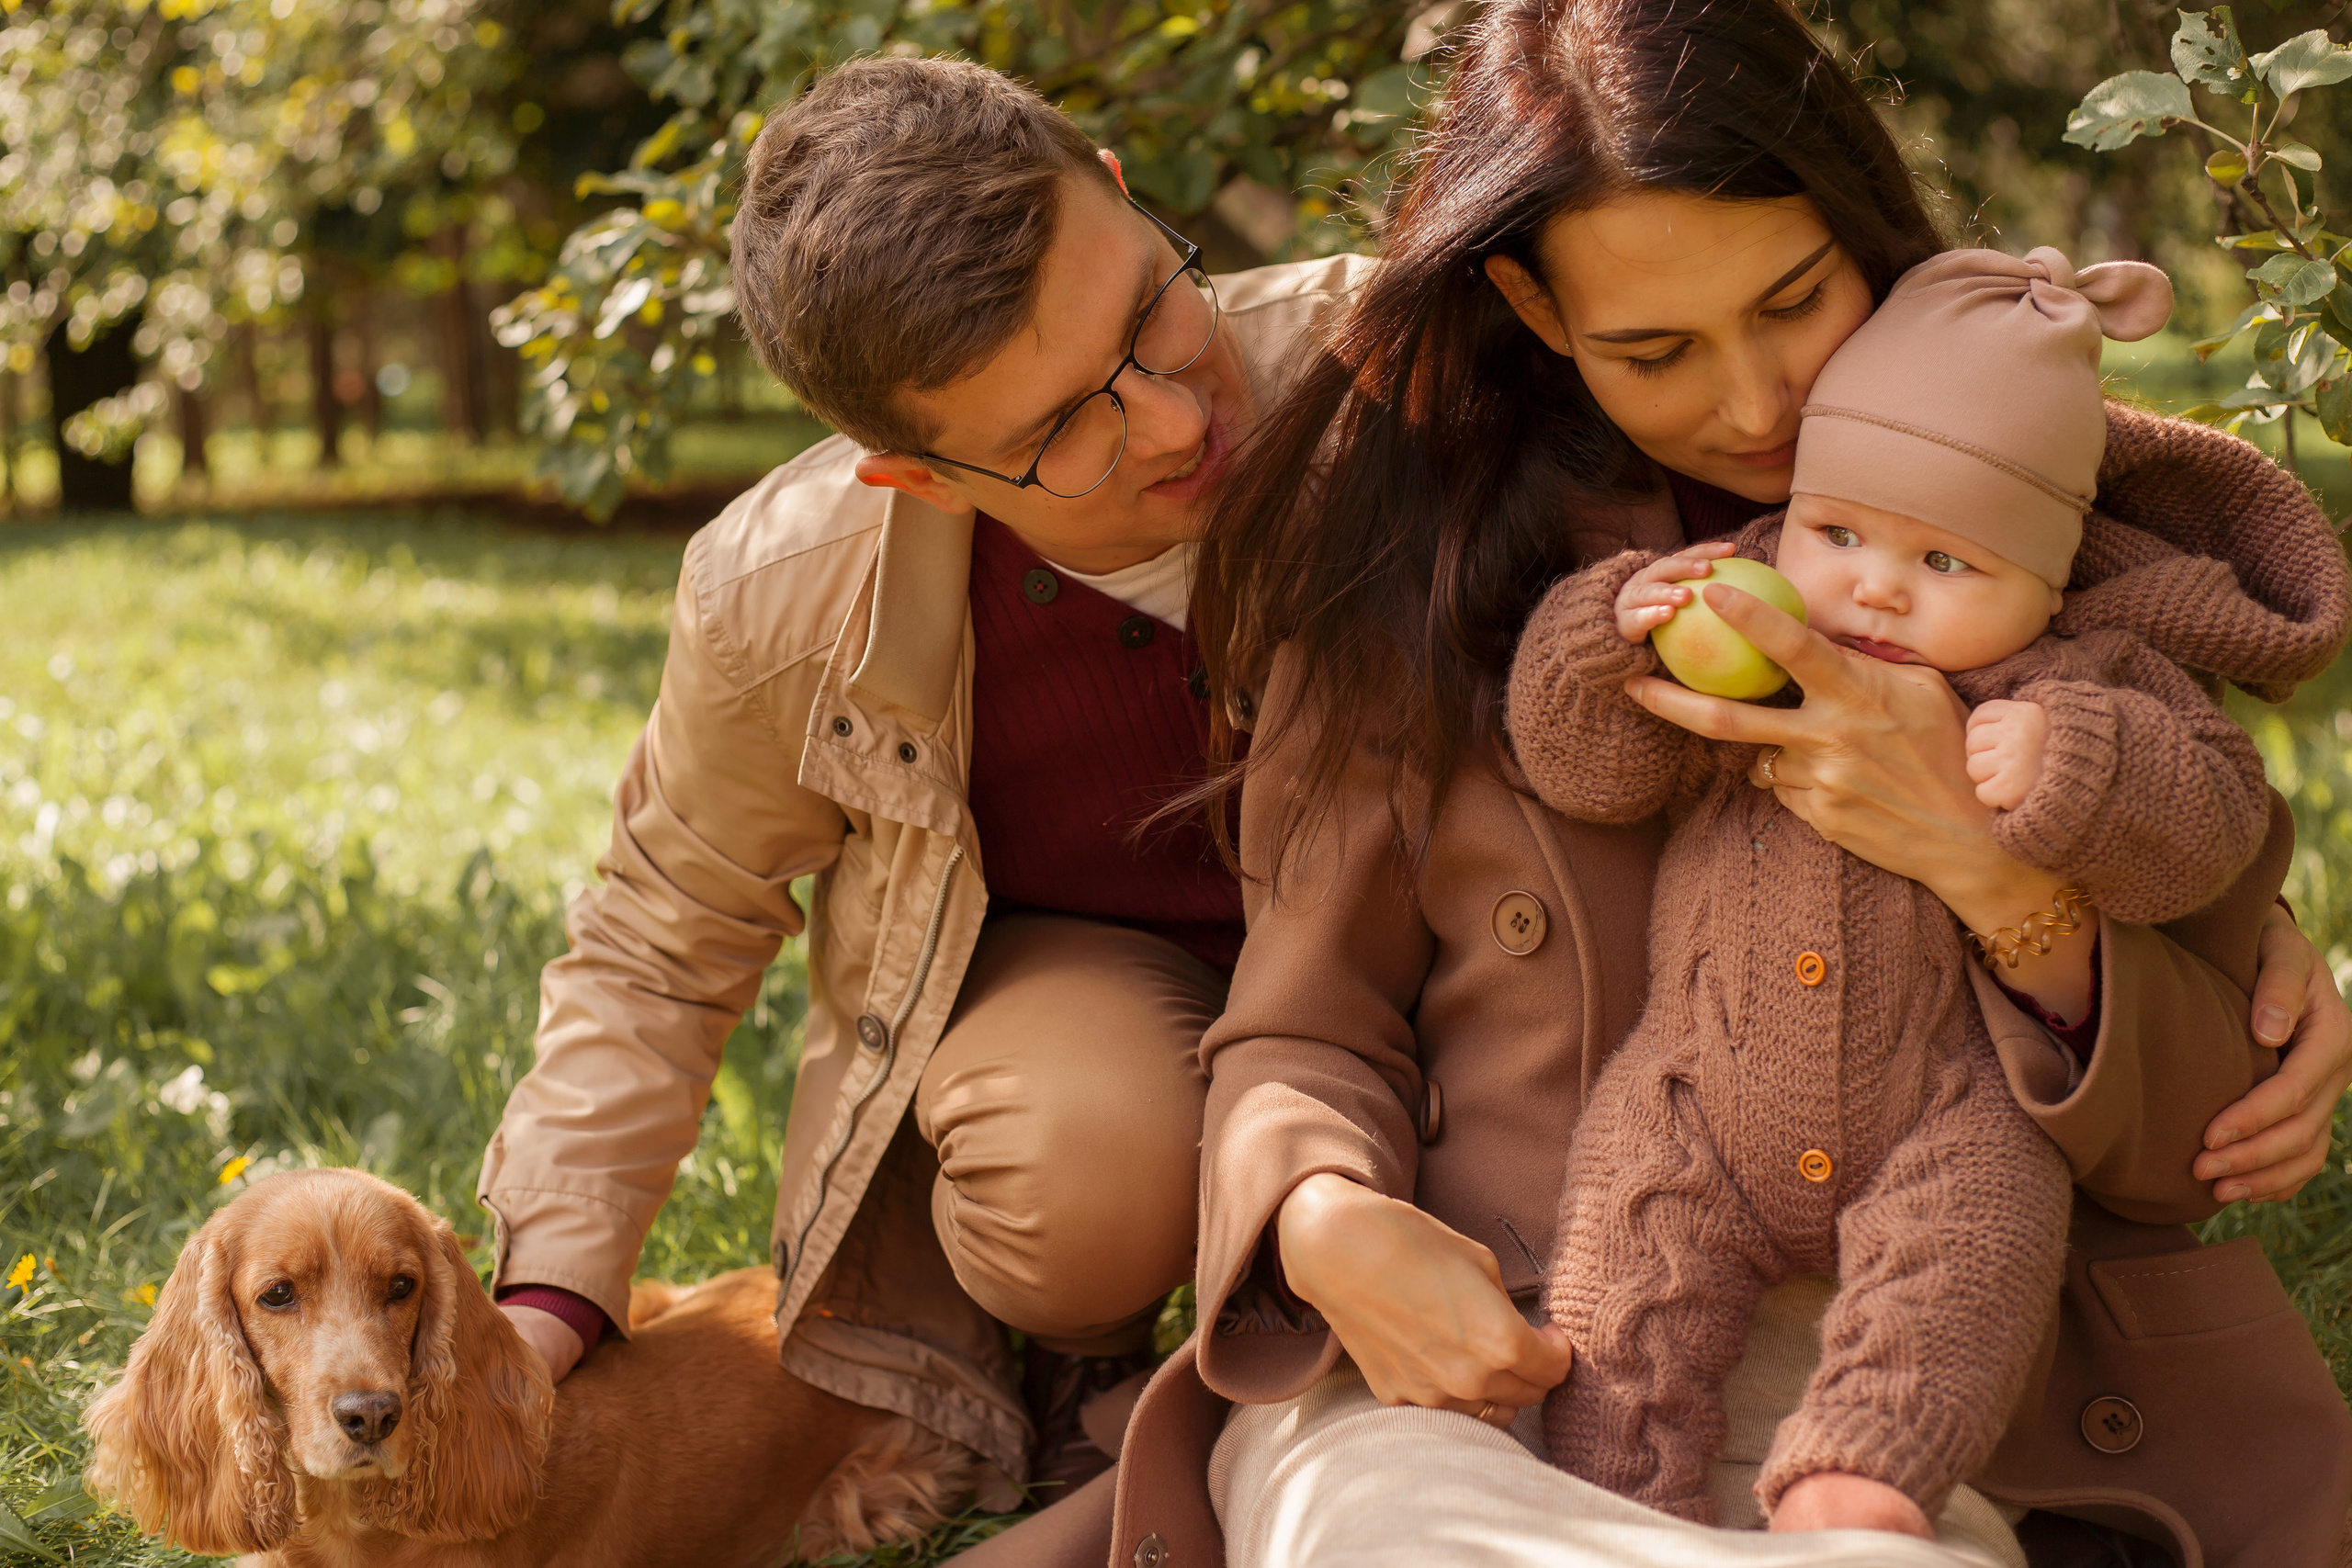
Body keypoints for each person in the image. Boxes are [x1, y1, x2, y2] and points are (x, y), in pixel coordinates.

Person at [1030, 4, 2352, 1568]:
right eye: (1654, 348)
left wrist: (2004, 884)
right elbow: (1302, 1024)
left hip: (1912, 1370)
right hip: (1498, 1339)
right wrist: (1321, 1222)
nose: (1754, 404)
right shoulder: (1412, 563)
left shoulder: (2041, 537)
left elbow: (2191, 1128)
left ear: (1861, 232)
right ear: (1528, 303)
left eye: (1796, 302)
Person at [470, 54, 1369, 1504]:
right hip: (1119, 1003)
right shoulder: (779, 596)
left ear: (1124, 191)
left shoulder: (1398, 363)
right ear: (919, 478)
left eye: (1152, 310)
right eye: (1062, 431)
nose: (1173, 422)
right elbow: (662, 937)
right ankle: (1089, 1353)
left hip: (1427, 950)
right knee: (1068, 1160)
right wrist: (555, 1288)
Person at [1510, 244, 2347, 1539]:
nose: (1879, 586)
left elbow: (2216, 821)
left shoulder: (2081, 675)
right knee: (1626, 1292)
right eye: (1839, 533)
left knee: (1966, 1270)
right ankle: (1616, 1496)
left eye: (1950, 564)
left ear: (2048, 581)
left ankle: (1863, 1485)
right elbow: (1581, 769)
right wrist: (1607, 632)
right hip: (1695, 1097)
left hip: (1948, 1111)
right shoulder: (1741, 619)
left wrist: (2077, 764)